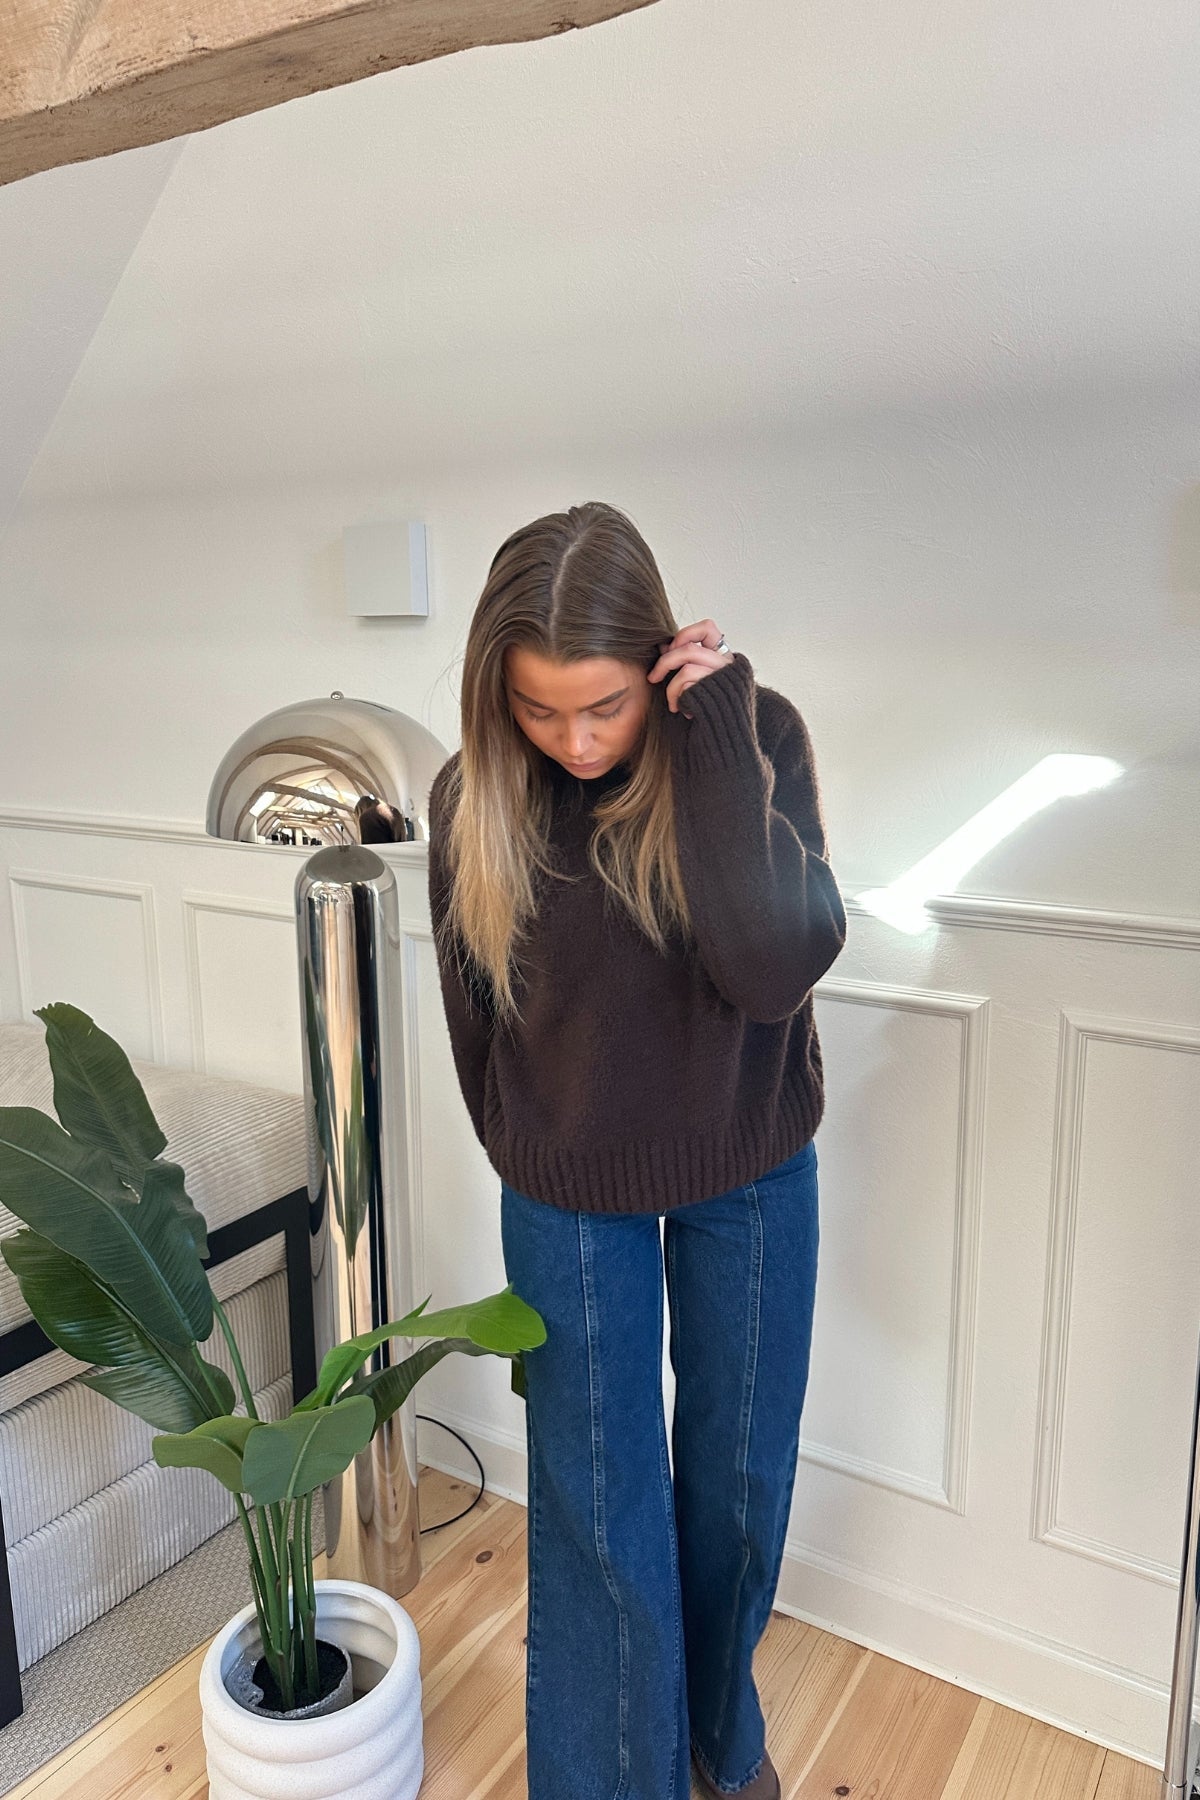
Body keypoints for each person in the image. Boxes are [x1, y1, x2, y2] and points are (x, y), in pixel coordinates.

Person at [426, 501, 847, 1800]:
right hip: (566, 1191)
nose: (574, 741)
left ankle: (719, 1728)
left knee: (737, 1482)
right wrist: (528, 1148)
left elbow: (773, 968)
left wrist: (712, 735)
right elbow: (476, 1013)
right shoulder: (475, 794)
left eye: (602, 706)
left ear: (657, 659)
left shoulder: (753, 738)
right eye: (537, 710)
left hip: (751, 1167)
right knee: (596, 1509)